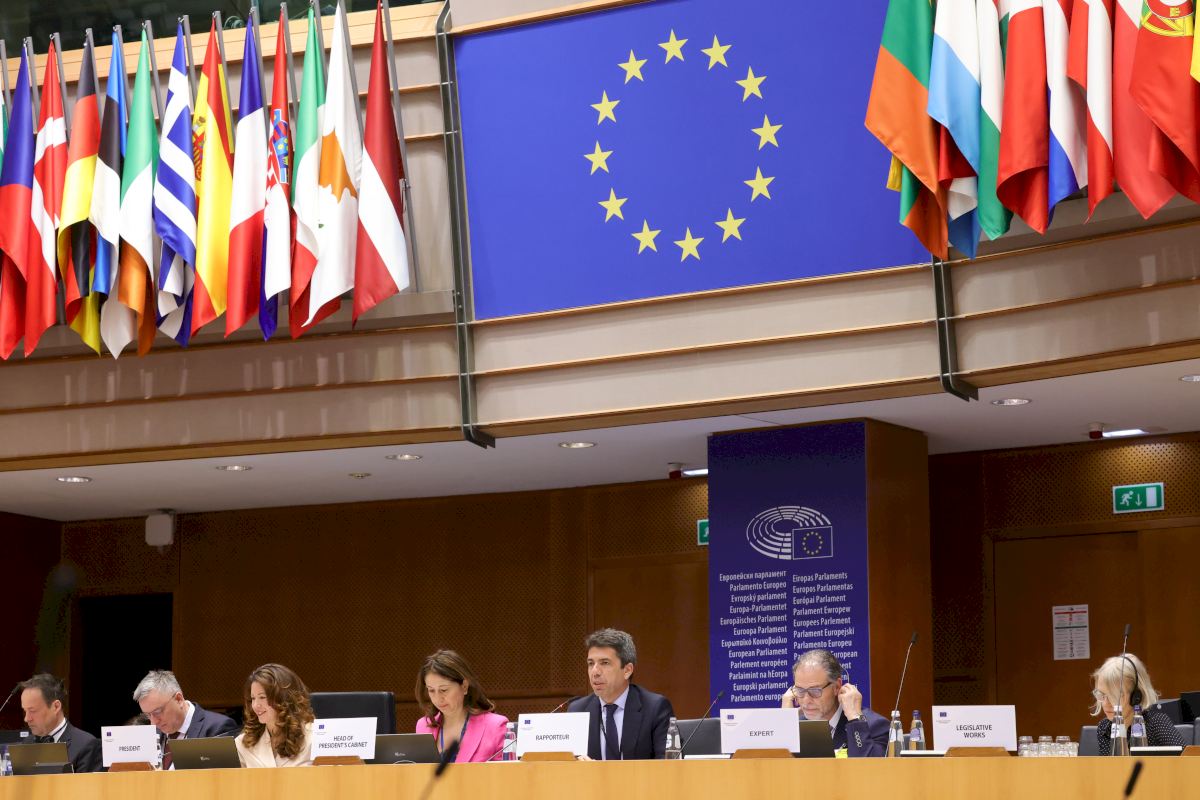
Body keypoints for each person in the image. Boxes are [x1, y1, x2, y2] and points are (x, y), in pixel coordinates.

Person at [567, 628, 674, 760]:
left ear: (627, 670)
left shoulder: (655, 709)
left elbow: (667, 765)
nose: (595, 672)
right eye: (591, 663)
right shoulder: (578, 710)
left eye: (604, 663)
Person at [780, 649, 888, 757]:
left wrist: (854, 718)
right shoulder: (796, 728)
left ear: (836, 687)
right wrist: (785, 722)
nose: (806, 700)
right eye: (800, 690)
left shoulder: (873, 726)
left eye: (815, 691)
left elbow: (869, 765)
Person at [414, 650, 509, 762]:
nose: (438, 698)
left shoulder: (495, 726)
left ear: (464, 686)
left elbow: (506, 772)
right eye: (431, 690)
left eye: (444, 690)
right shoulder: (423, 725)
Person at [133, 669, 238, 769]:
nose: (154, 722)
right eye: (148, 715)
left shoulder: (218, 728)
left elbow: (225, 777)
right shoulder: (152, 734)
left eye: (157, 712)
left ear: (178, 699)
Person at [1092, 654, 1184, 755]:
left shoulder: (1157, 723)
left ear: (1136, 697)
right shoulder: (1105, 727)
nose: (1106, 703)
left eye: (1114, 696)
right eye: (1101, 694)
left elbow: (1188, 758)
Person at [18, 673, 102, 773]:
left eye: (32, 711)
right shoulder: (27, 744)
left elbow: (87, 784)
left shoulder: (86, 745)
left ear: (56, 707)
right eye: (25, 711)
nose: (26, 719)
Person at [234, 664, 315, 767]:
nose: (255, 705)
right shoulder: (243, 743)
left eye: (262, 697)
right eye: (253, 698)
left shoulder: (315, 737)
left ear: (284, 699)